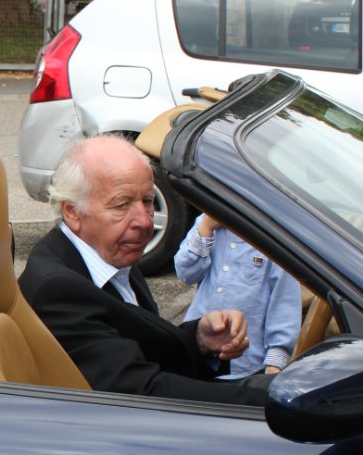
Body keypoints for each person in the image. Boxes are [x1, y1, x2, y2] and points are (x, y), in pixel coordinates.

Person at [19, 134, 272, 405]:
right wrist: (261, 401)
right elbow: (140, 392)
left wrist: (199, 339)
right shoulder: (58, 291)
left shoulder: (108, 255)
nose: (145, 221)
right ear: (72, 212)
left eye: (148, 201)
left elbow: (137, 343)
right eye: (121, 204)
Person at [174, 213, 302, 377]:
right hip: (196, 349)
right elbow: (185, 274)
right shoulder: (208, 222)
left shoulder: (274, 238)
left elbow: (284, 304)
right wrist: (206, 229)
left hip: (244, 363)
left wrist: (275, 362)